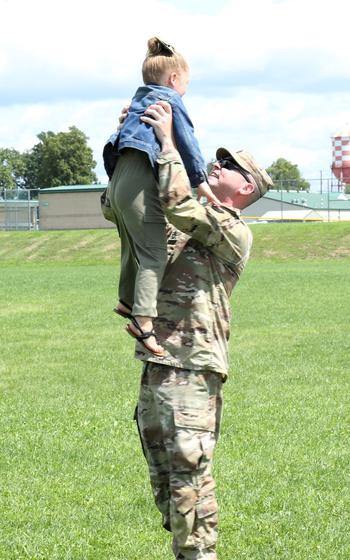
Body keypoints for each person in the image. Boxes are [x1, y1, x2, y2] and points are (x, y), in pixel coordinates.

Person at [114, 101, 273, 560]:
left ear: (246, 186)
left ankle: (201, 555)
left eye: (228, 165)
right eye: (217, 158)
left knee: (189, 469)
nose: (216, 164)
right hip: (159, 361)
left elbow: (180, 205)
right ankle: (189, 550)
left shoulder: (231, 229)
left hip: (193, 367)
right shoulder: (188, 223)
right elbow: (123, 210)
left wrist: (167, 142)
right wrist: (129, 145)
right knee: (166, 482)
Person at [104, 37, 219, 357]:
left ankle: (127, 300)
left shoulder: (136, 102)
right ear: (173, 79)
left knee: (132, 246)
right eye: (186, 84)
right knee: (154, 254)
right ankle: (144, 324)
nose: (185, 90)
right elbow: (188, 141)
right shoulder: (170, 100)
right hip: (140, 182)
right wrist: (202, 183)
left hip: (118, 182)